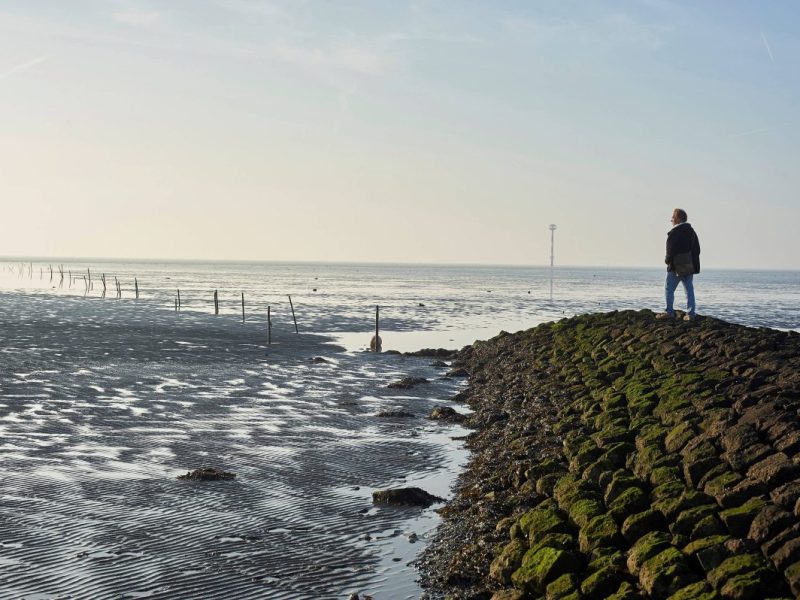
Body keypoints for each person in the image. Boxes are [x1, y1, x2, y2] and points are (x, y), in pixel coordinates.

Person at [657, 208, 701, 321]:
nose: (671, 219)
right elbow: (697, 249)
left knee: (669, 288)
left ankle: (669, 312)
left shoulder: (675, 232)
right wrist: (692, 262)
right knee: (689, 289)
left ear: (678, 218)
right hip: (688, 265)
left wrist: (667, 261)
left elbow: (670, 250)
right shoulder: (691, 232)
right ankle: (691, 314)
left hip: (675, 266)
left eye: (673, 217)